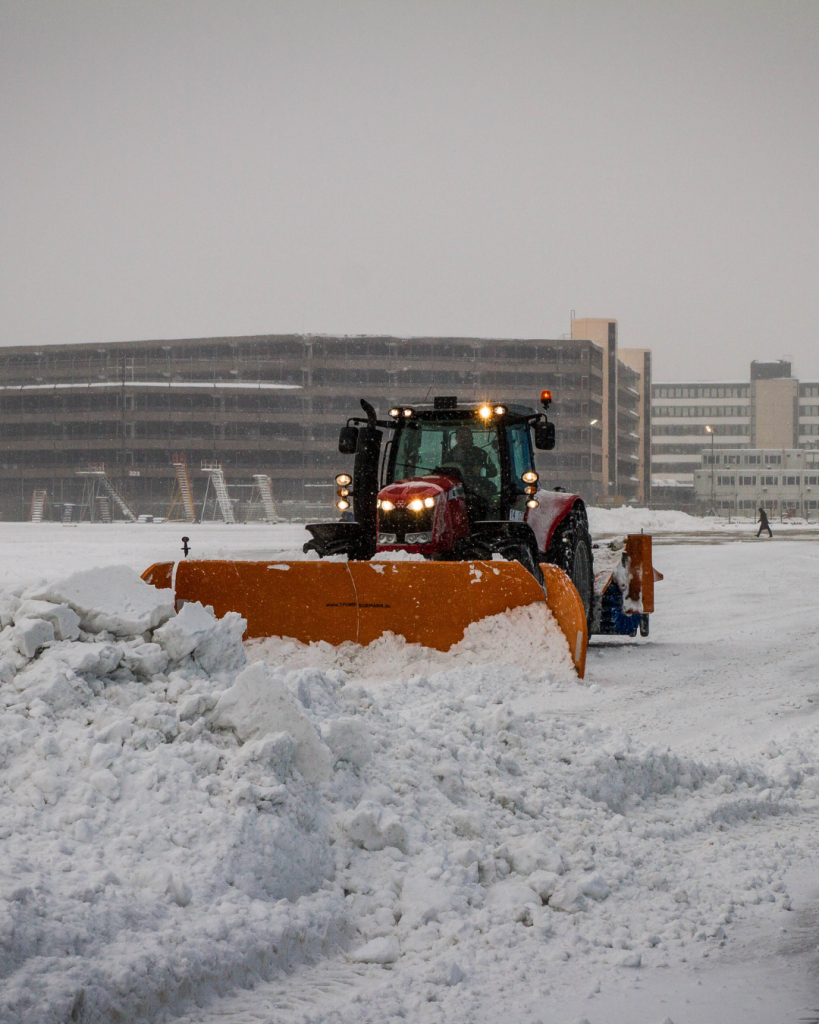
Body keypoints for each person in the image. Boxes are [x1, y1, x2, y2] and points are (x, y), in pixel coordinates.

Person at [446, 426, 498, 519]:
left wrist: (482, 469)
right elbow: (442, 471)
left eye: (466, 437)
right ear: (456, 439)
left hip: (478, 492)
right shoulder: (450, 455)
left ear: (471, 438)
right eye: (461, 437)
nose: (464, 439)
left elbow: (493, 471)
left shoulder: (480, 454)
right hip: (454, 491)